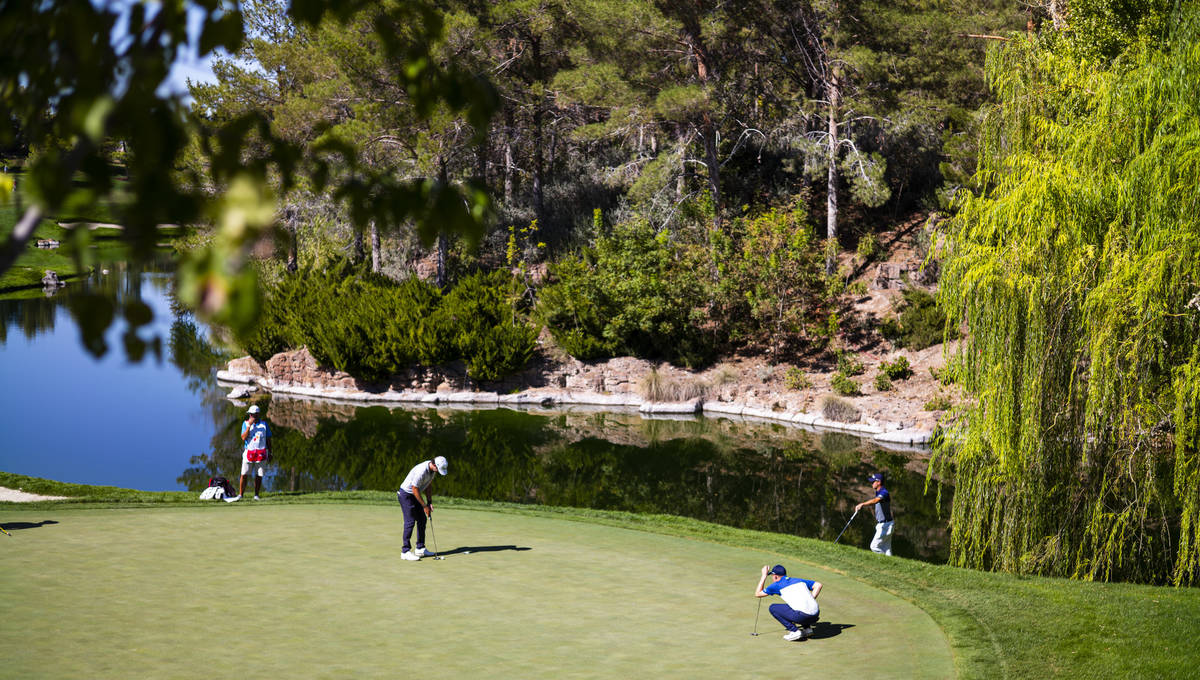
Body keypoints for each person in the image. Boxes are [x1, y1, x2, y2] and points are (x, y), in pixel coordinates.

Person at [396, 456, 449, 561]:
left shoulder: (432, 471)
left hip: (415, 494)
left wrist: (429, 503)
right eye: (438, 469)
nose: (438, 472)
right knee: (410, 522)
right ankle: (405, 551)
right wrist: (424, 506)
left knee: (422, 519)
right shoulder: (422, 471)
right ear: (434, 465)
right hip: (406, 494)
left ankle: (420, 548)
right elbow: (414, 488)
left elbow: (428, 485)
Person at [755, 564, 822, 641]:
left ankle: (795, 631)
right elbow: (818, 585)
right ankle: (807, 629)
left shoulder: (776, 585)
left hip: (802, 617)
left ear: (775, 576)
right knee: (795, 605)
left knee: (773, 608)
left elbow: (758, 594)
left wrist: (764, 576)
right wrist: (810, 599)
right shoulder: (798, 580)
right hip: (816, 615)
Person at [228, 404, 272, 502]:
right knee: (244, 474)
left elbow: (268, 439)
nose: (250, 416)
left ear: (257, 415)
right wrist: (249, 426)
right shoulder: (245, 424)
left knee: (259, 475)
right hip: (249, 453)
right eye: (250, 414)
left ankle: (256, 495)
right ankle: (241, 495)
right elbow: (243, 437)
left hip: (261, 454)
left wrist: (270, 452)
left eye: (252, 415)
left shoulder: (264, 425)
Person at [855, 472, 894, 555]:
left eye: (873, 482)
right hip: (885, 524)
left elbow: (875, 500)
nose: (871, 483)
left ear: (879, 482)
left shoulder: (884, 492)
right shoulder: (878, 491)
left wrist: (863, 504)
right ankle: (890, 565)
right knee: (887, 550)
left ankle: (886, 562)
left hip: (886, 525)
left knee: (874, 546)